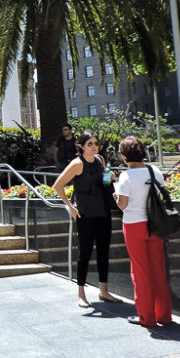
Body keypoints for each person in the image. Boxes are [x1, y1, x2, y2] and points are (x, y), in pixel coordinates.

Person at [53, 132, 120, 308]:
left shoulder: (100, 160)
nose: (93, 146)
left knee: (104, 251)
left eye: (95, 143)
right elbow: (58, 186)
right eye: (89, 143)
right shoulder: (76, 164)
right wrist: (70, 206)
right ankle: (81, 293)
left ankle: (103, 290)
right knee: (85, 253)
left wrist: (110, 177)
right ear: (81, 146)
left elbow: (104, 184)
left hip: (102, 211)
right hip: (85, 213)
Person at [115, 136, 173, 327]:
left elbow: (122, 206)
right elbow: (163, 194)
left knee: (140, 272)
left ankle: (146, 317)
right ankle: (164, 315)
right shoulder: (154, 170)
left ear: (124, 157)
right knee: (158, 269)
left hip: (134, 226)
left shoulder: (126, 176)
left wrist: (116, 196)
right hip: (156, 224)